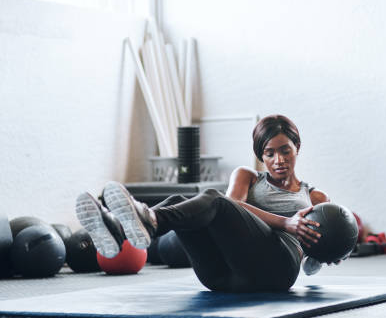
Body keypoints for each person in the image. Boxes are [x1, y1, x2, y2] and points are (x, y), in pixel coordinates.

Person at [76, 114, 332, 292]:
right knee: (180, 201)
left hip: (276, 271)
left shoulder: (315, 197)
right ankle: (120, 231)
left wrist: (330, 250)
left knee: (212, 198)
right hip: (221, 276)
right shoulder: (247, 177)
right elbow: (232, 205)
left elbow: (315, 261)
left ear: (297, 147)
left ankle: (147, 221)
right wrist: (285, 221)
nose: (279, 160)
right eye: (269, 153)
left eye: (285, 150)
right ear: (260, 156)